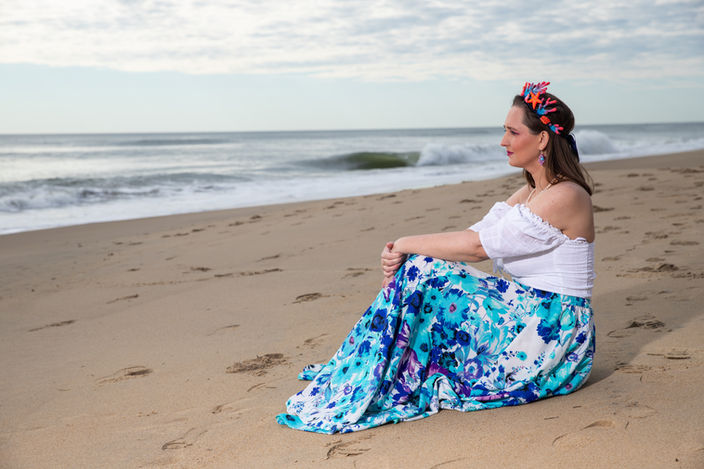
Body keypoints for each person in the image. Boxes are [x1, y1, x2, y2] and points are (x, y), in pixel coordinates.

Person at [276, 82, 596, 434]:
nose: (502, 141)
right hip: (527, 313)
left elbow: (476, 248)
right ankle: (377, 359)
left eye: (511, 131)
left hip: (554, 335)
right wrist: (406, 252)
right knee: (423, 266)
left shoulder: (565, 194)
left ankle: (380, 361)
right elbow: (474, 234)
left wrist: (404, 244)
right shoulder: (532, 192)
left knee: (425, 267)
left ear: (542, 140)